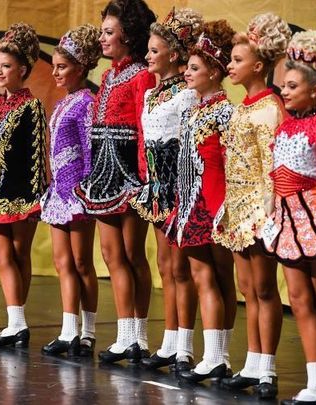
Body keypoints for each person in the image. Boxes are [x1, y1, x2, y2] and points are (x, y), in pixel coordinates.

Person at [263, 30, 316, 405]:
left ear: (315, 90)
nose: (284, 90)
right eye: (283, 84)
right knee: (298, 300)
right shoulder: (285, 125)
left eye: (292, 85)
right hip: (286, 220)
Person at [73, 0, 157, 363]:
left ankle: (138, 335)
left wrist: (143, 176)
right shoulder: (107, 76)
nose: (103, 39)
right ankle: (126, 334)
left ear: (128, 36)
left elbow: (143, 127)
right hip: (104, 172)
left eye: (109, 33)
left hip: (130, 173)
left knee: (133, 254)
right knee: (111, 254)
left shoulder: (141, 75)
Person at [216, 13, 291, 399]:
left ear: (258, 65)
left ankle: (268, 369)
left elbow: (272, 168)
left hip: (259, 209)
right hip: (238, 205)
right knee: (247, 288)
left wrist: (268, 215)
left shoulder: (269, 108)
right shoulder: (244, 105)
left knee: (264, 289)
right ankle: (251, 362)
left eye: (237, 60)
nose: (229, 65)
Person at [130, 7, 203, 372]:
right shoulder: (151, 95)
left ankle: (185, 346)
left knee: (180, 269)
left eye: (154, 50)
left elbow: (189, 149)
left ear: (174, 55)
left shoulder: (187, 96)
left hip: (179, 189)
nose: (147, 56)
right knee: (165, 266)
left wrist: (183, 194)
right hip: (157, 188)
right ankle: (170, 339)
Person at [167, 20, 237, 382]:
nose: (187, 73)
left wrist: (224, 208)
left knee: (215, 276)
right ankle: (215, 355)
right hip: (191, 201)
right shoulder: (193, 110)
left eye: (194, 68)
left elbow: (230, 163)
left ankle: (217, 355)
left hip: (212, 204)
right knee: (204, 275)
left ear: (214, 71)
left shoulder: (225, 112)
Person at [0, 23, 47, 347]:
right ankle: (16, 322)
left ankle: (18, 320)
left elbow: (36, 154)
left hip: (21, 194)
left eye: (7, 66)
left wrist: (32, 199)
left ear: (23, 70)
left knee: (18, 255)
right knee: (2, 256)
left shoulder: (31, 107)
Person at [39, 24, 101, 357]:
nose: (56, 72)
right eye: (55, 66)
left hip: (78, 191)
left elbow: (90, 151)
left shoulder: (86, 103)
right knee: (63, 262)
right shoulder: (63, 103)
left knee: (81, 262)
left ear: (80, 68)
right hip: (59, 192)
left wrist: (87, 189)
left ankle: (88, 331)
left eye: (62, 67)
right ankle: (68, 330)